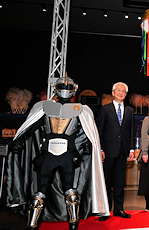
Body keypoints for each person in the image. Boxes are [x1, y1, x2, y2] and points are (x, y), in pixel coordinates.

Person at [7, 75, 110, 230]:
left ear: (74, 89)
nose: (65, 90)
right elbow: (32, 127)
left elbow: (88, 133)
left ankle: (71, 225)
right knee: (42, 193)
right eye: (63, 87)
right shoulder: (43, 107)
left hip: (66, 155)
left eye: (68, 87)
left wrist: (89, 146)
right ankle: (33, 225)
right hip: (50, 155)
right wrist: (20, 140)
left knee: (70, 194)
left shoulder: (81, 110)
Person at [96, 82, 135, 220]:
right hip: (108, 151)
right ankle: (105, 211)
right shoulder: (105, 109)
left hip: (123, 150)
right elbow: (99, 131)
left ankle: (119, 209)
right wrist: (99, 149)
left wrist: (131, 148)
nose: (120, 93)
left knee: (119, 182)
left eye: (123, 91)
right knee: (106, 181)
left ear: (126, 94)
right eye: (118, 90)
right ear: (113, 93)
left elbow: (131, 131)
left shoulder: (130, 111)